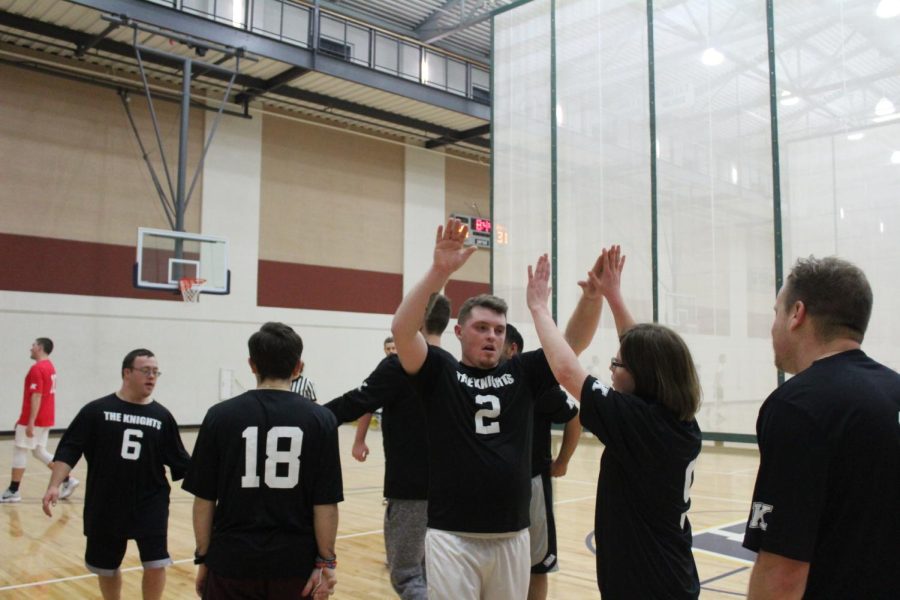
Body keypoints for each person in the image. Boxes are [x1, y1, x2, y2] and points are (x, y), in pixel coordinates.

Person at [391, 218, 602, 600]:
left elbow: (572, 344)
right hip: (451, 534)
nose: (492, 336)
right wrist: (439, 272)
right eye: (482, 328)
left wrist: (589, 300)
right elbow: (403, 330)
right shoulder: (439, 371)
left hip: (512, 534)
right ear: (459, 332)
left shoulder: (522, 373)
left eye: (499, 330)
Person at [526, 247, 702, 599]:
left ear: (643, 376)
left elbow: (565, 370)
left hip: (646, 585)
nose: (610, 369)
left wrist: (538, 308)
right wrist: (612, 296)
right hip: (669, 576)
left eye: (616, 365)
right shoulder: (675, 419)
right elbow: (643, 352)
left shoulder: (639, 423)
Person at [742, 256, 900, 599]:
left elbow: (783, 572)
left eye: (776, 312)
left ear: (797, 314)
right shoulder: (895, 391)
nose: (773, 326)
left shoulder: (796, 407)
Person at [183, 322, 342, 600]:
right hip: (295, 566)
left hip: (231, 562)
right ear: (298, 367)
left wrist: (203, 558)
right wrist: (326, 562)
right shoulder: (321, 420)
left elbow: (204, 500)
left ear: (252, 364)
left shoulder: (219, 417)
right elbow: (325, 503)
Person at [325, 294, 451, 600]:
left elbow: (356, 402)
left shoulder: (399, 366)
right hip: (451, 492)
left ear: (417, 319)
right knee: (435, 573)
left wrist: (306, 418)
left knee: (408, 576)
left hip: (411, 491)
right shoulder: (454, 367)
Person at [42, 349, 191, 600]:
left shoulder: (162, 417)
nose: (152, 377)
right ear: (126, 373)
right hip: (106, 502)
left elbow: (182, 462)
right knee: (107, 567)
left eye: (156, 372)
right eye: (146, 371)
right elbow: (69, 448)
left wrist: (217, 482)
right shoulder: (96, 411)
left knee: (156, 562)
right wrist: (54, 484)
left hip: (150, 502)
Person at [502, 324, 581, 600]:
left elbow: (574, 416)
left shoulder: (537, 386)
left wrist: (562, 461)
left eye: (499, 334)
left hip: (533, 482)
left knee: (536, 565)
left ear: (512, 349)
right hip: (495, 490)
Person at [1, 338, 78, 503]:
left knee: (20, 450)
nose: (31, 348)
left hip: (35, 418)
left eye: (34, 345)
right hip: (46, 417)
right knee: (38, 451)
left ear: (41, 348)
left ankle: (13, 490)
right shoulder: (50, 366)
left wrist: (29, 422)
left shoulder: (37, 369)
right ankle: (67, 479)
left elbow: (36, 396)